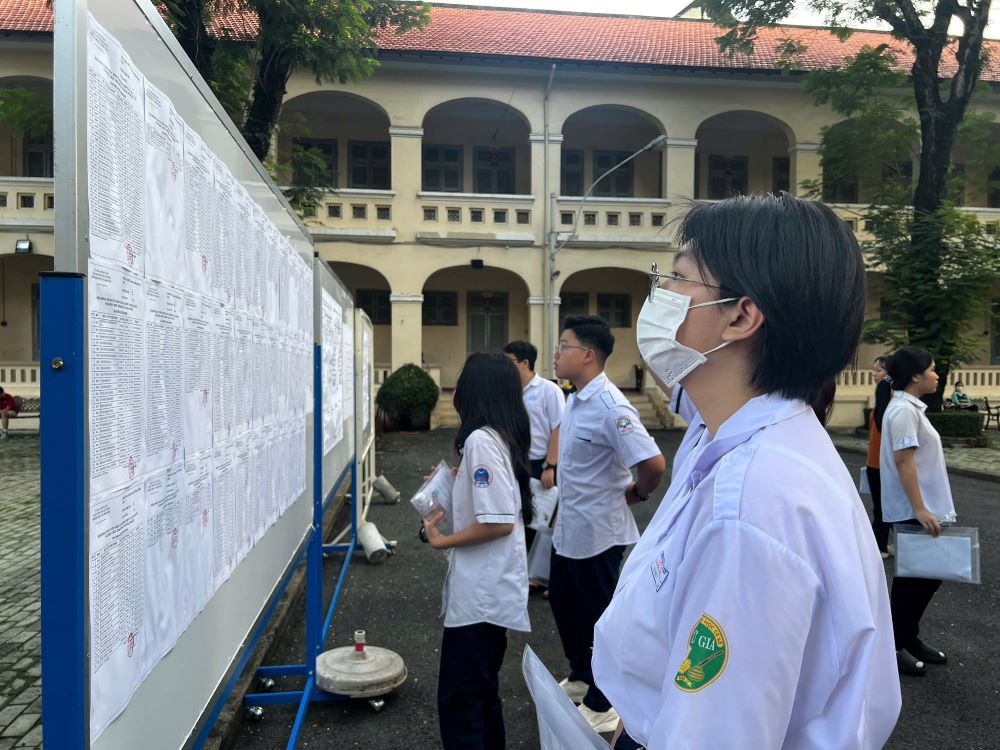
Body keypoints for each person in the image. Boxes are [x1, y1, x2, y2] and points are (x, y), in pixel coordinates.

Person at [589, 193, 900, 750]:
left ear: (739, 315)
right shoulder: (732, 436)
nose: (658, 297)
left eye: (677, 280)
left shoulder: (750, 506)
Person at [549, 314, 666, 733]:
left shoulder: (609, 405)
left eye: (564, 345)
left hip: (599, 532)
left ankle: (604, 702)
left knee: (600, 618)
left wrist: (637, 493)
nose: (557, 352)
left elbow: (652, 463)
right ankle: (582, 677)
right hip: (569, 528)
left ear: (587, 354)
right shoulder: (575, 398)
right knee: (565, 604)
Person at [421, 352, 532, 750]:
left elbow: (498, 522)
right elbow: (492, 506)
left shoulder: (482, 440)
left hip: (481, 596)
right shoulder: (495, 437)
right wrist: (455, 483)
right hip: (489, 592)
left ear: (473, 390)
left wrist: (440, 540)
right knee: (481, 695)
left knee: (460, 700)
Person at [879, 346, 956, 677]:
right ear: (915, 375)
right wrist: (920, 508)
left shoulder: (910, 409)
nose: (937, 375)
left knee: (925, 577)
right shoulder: (903, 412)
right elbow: (904, 460)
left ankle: (908, 639)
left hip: (920, 508)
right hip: (914, 510)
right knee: (914, 581)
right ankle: (893, 647)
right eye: (933, 370)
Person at [867, 356, 892, 557]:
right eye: (874, 370)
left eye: (879, 370)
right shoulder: (883, 396)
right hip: (876, 462)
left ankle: (881, 544)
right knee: (882, 506)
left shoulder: (890, 396)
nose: (875, 374)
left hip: (882, 463)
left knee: (885, 506)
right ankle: (879, 545)